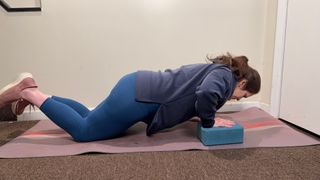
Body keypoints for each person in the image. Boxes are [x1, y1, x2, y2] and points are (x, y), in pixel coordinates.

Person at [0, 53, 260, 142]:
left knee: (89, 117)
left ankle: (39, 94)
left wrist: (194, 115)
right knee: (84, 132)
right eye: (241, 96)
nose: (234, 99)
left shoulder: (217, 71)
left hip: (136, 86)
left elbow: (189, 93)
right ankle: (29, 92)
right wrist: (209, 122)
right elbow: (206, 94)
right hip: (139, 97)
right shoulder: (226, 77)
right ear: (243, 82)